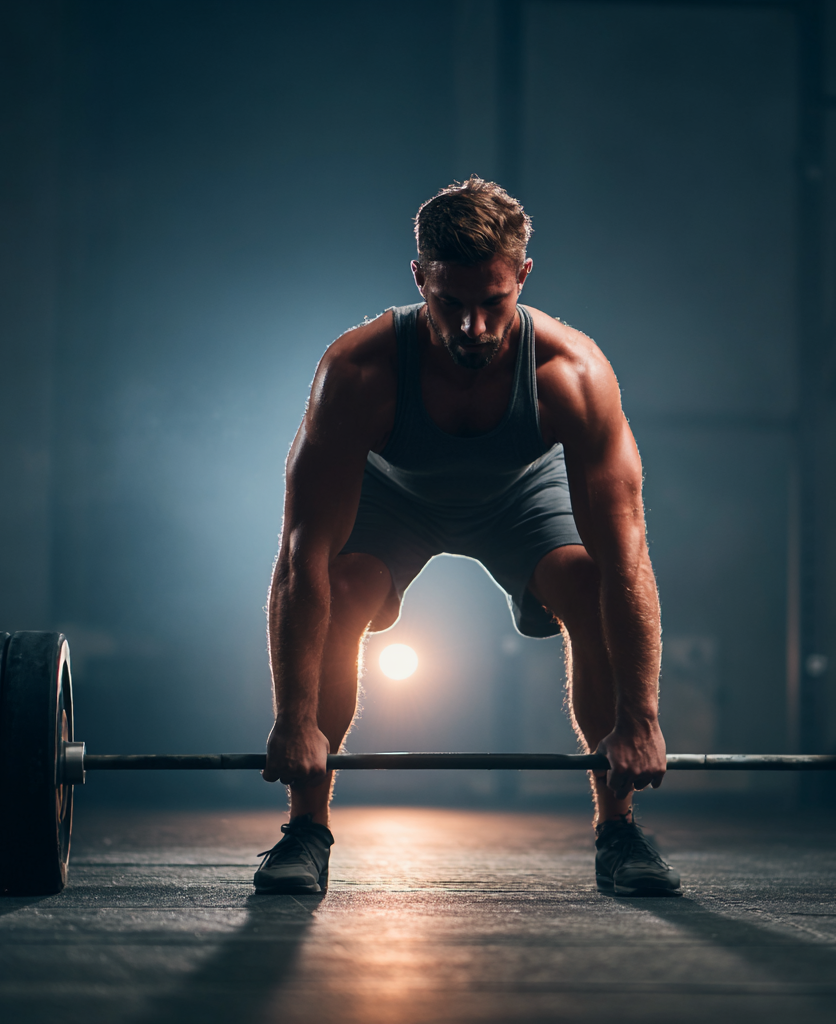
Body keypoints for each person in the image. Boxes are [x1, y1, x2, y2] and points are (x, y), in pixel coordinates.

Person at [255, 176, 679, 897]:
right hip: (396, 495)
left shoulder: (572, 374)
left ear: (523, 276)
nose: (472, 328)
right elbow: (302, 559)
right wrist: (293, 721)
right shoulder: (358, 371)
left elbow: (628, 562)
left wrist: (642, 719)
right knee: (345, 587)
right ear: (419, 278)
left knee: (587, 580)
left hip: (519, 496)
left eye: (493, 304)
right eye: (449, 304)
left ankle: (620, 831)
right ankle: (305, 830)